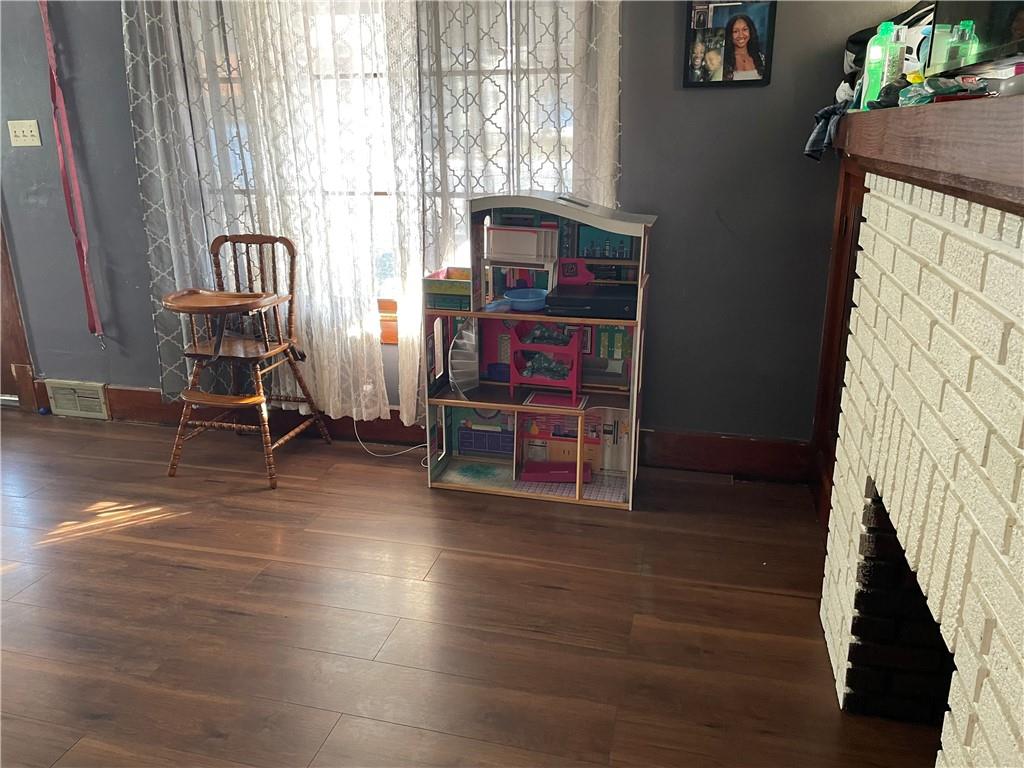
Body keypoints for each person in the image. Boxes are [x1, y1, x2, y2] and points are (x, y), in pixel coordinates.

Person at [723, 14, 766, 81]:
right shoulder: (723, 61)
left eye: (745, 29)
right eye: (735, 31)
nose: (741, 35)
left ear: (750, 31)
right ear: (730, 35)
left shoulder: (761, 58)